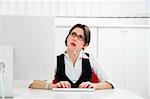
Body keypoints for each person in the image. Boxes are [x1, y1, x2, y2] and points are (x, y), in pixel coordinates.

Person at [29, 24, 115, 90]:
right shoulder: (56, 60)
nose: (75, 38)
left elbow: (111, 83)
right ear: (67, 38)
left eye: (80, 37)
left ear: (85, 45)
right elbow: (32, 83)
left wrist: (94, 85)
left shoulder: (91, 59)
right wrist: (53, 85)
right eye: (73, 34)